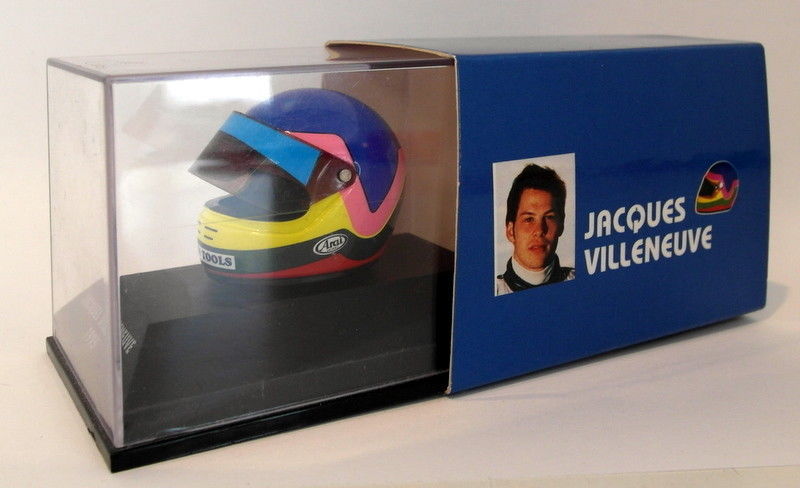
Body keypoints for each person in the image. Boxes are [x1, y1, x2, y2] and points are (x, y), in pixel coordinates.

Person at [496, 164, 575, 295]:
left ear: (561, 225)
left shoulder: (581, 281)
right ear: (510, 231)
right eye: (529, 219)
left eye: (549, 217)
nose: (539, 230)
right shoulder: (493, 291)